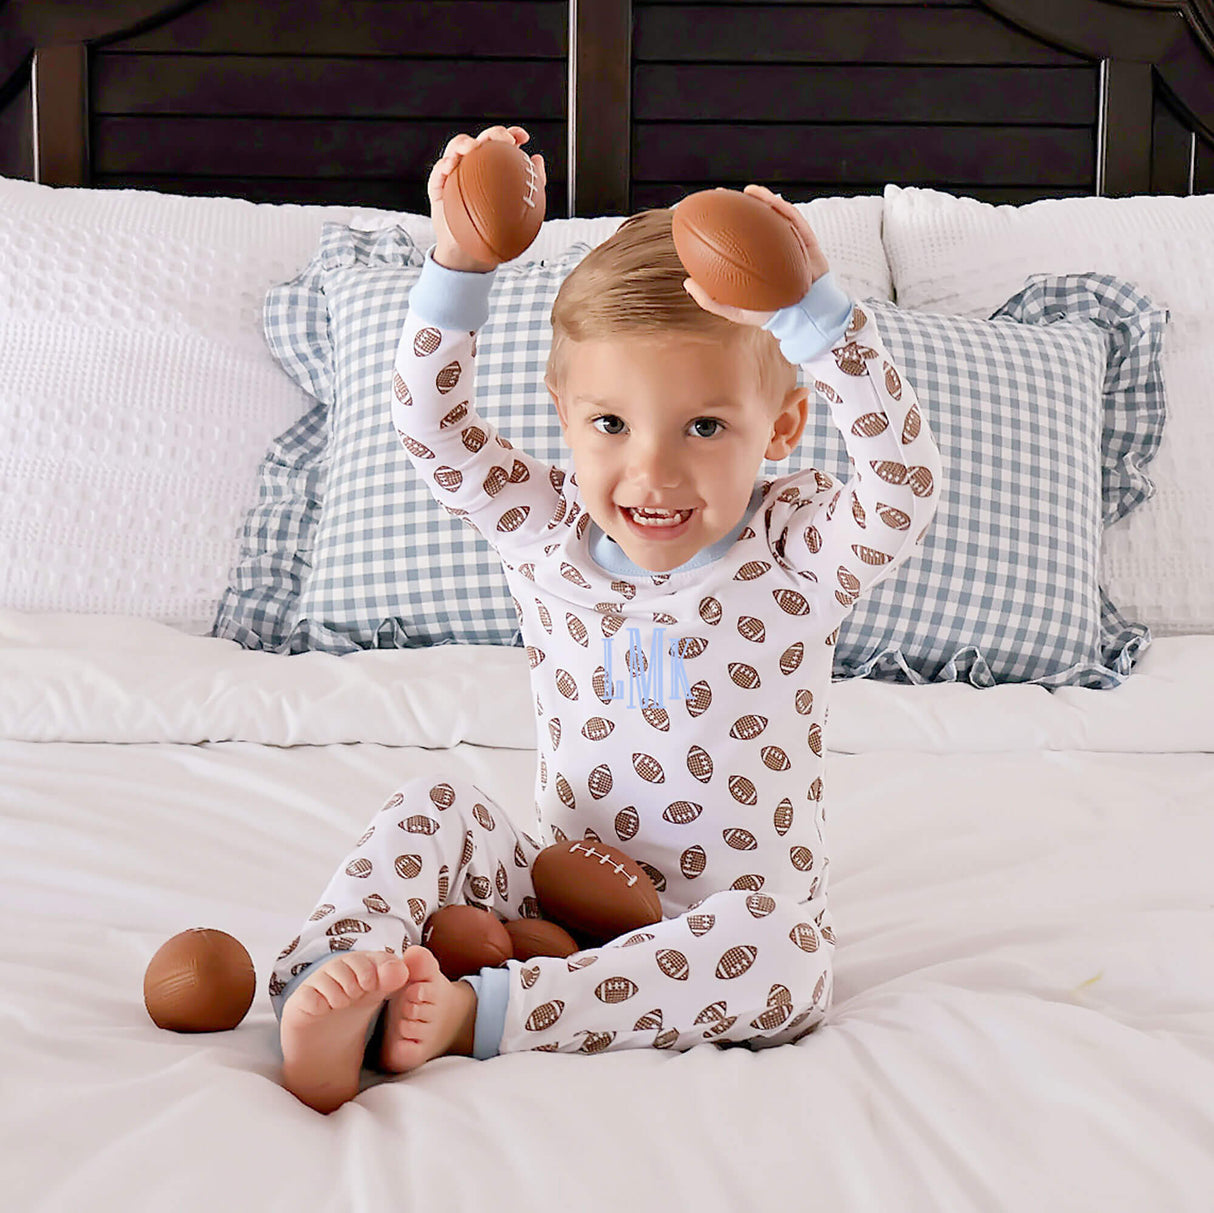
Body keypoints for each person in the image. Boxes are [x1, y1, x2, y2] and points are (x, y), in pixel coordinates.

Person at [269, 124, 941, 1113]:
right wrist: (458, 265)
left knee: (789, 958)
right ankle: (329, 983)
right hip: (553, 889)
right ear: (560, 408)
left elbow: (902, 483)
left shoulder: (793, 547)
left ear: (782, 426)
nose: (651, 473)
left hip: (716, 924)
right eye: (610, 424)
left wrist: (815, 319)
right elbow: (429, 424)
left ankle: (481, 1013)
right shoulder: (545, 523)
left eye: (703, 427)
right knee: (434, 804)